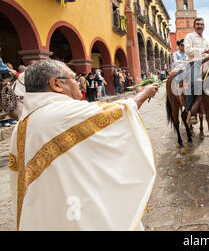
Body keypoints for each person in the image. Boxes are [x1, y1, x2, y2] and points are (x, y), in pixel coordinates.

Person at [8, 59, 158, 230]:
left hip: (45, 213)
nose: (78, 81)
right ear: (56, 84)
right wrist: (144, 93)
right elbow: (120, 111)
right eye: (73, 77)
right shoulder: (60, 114)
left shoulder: (22, 124)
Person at [183, 18, 209, 125]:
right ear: (194, 26)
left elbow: (208, 54)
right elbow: (189, 51)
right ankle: (189, 110)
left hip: (206, 63)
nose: (200, 26)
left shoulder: (205, 40)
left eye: (202, 24)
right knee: (194, 82)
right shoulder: (189, 36)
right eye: (198, 24)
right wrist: (204, 51)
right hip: (193, 63)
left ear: (204, 26)